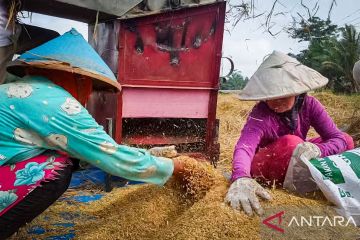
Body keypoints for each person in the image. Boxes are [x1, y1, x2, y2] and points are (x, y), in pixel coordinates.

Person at [0, 28, 186, 239]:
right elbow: (110, 155)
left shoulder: (15, 90)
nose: (88, 94)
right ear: (78, 78)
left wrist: (149, 155)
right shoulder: (56, 102)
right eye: (90, 86)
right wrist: (176, 167)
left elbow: (93, 149)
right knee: (58, 169)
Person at [225, 51, 354, 216]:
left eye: (283, 96)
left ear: (297, 91)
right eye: (272, 97)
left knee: (348, 140)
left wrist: (319, 150)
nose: (276, 102)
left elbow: (337, 138)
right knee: (291, 143)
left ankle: (314, 179)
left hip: (296, 158)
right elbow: (245, 146)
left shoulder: (310, 105)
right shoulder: (260, 114)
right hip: (267, 164)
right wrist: (241, 176)